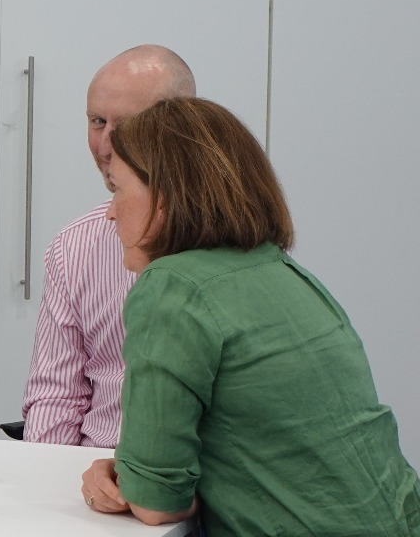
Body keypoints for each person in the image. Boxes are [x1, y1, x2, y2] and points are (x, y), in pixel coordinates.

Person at [81, 97, 420, 535]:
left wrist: (115, 478)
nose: (110, 211)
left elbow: (155, 503)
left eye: (118, 189)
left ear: (165, 198)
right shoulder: (281, 271)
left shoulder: (173, 286)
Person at [21, 44, 195, 446]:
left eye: (129, 125)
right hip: (87, 475)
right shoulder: (75, 246)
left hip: (190, 485)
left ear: (186, 127)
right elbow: (55, 399)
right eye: (97, 122)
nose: (104, 146)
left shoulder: (238, 246)